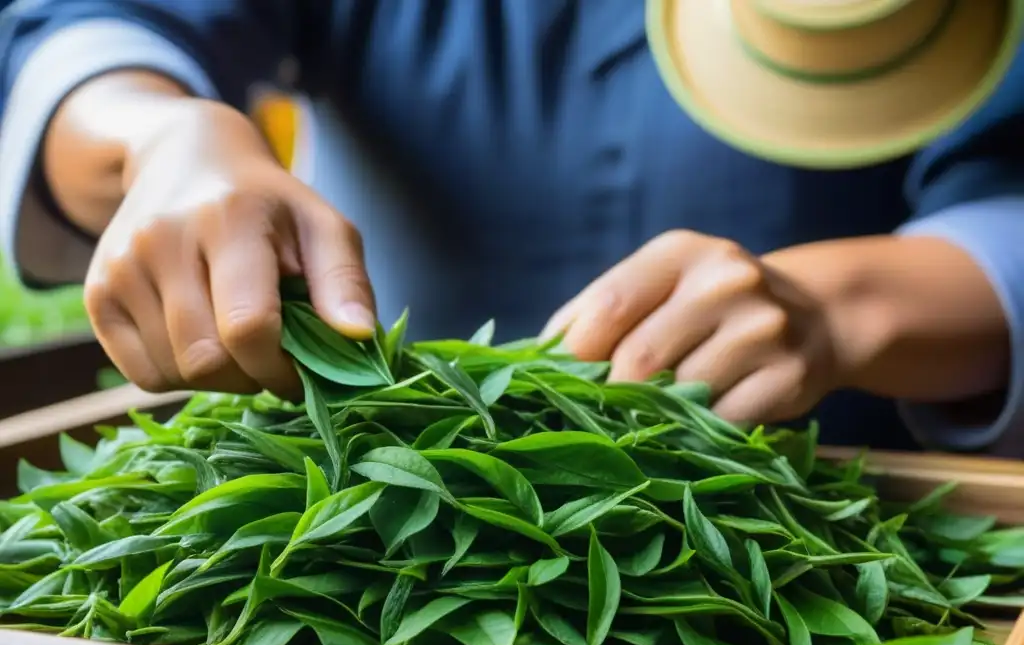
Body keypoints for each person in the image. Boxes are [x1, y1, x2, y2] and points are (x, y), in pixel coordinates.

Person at [0, 1, 1022, 453]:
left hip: (791, 478)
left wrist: (831, 308)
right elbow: (103, 24)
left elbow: (1004, 195)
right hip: (371, 462)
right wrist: (163, 136)